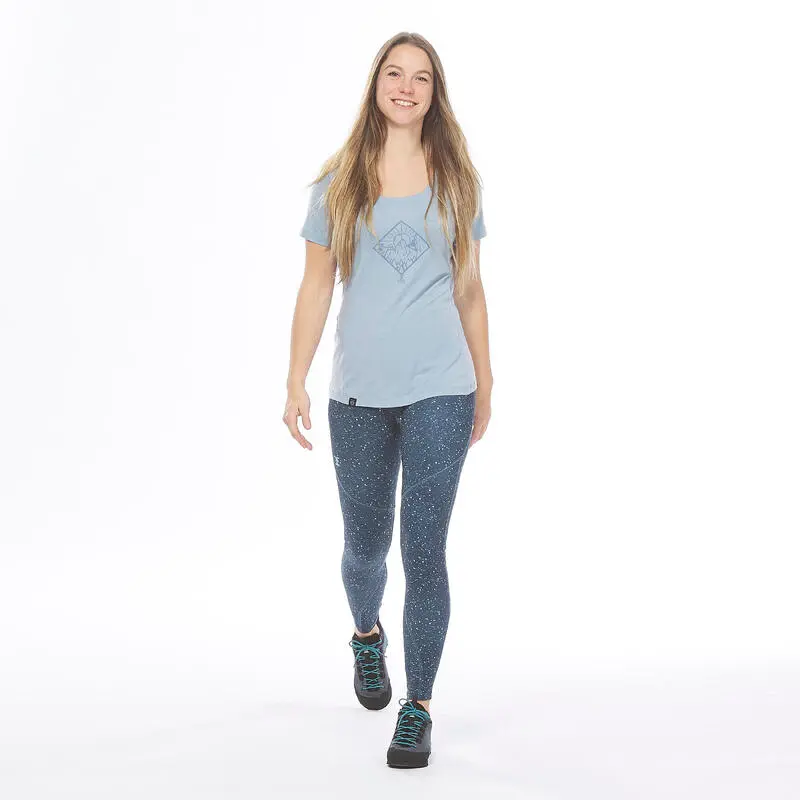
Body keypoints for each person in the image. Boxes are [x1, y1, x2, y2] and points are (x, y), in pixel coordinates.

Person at [283, 31, 493, 769]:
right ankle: (366, 635)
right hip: (359, 395)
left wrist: (486, 382)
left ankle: (418, 705)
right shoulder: (338, 181)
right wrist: (295, 377)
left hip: (442, 386)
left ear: (436, 94)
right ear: (376, 85)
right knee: (365, 549)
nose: (407, 87)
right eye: (395, 74)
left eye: (422, 78)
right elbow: (316, 285)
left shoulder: (458, 179)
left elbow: (470, 289)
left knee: (424, 549)